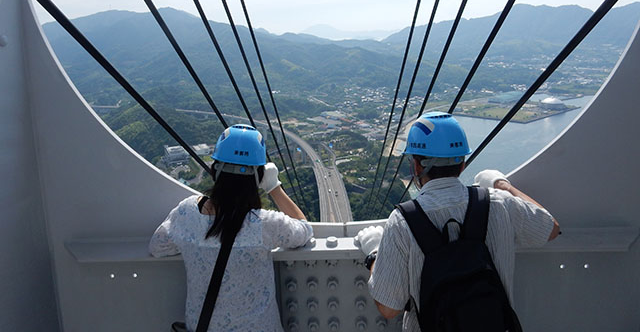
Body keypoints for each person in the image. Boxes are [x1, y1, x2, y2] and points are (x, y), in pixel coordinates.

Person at [356, 112, 560, 331]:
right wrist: (503, 186)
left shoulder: (402, 221)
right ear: (462, 164)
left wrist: (374, 253)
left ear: (416, 167)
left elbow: (389, 308)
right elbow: (550, 229)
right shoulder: (499, 203)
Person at [150, 124, 313, 332]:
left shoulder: (187, 213)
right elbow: (304, 230)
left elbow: (158, 247)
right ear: (258, 177)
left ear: (215, 170)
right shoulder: (265, 224)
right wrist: (274, 188)